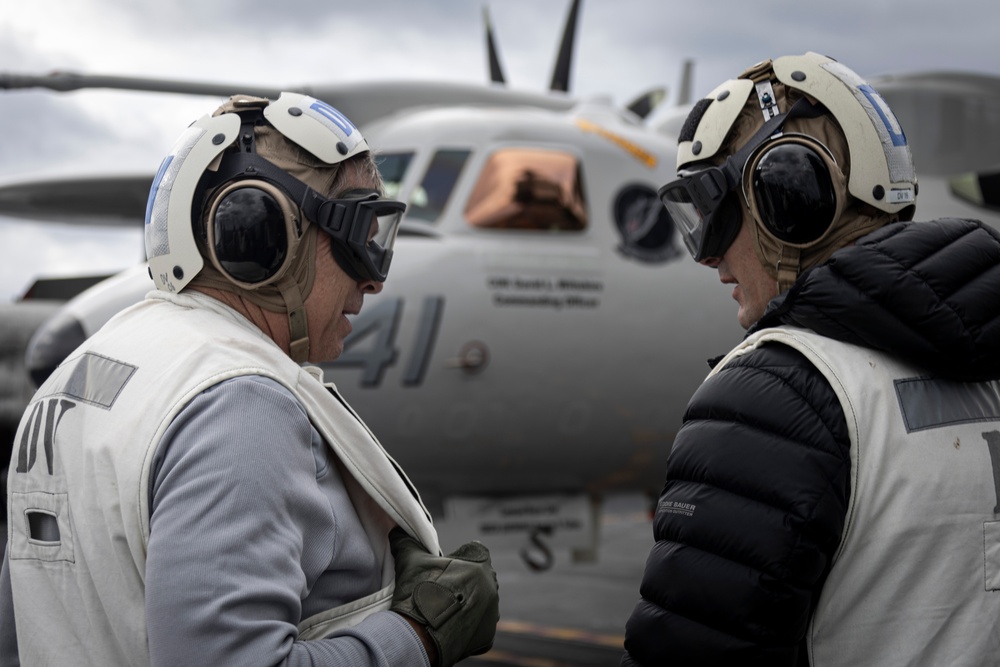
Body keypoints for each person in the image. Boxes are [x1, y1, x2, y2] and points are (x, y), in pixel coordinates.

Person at [0, 92, 499, 666]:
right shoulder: (239, 403)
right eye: (358, 235)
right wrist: (416, 637)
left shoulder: (78, 375)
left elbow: (25, 632)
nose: (373, 281)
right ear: (265, 238)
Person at [621, 52, 1000, 665]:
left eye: (714, 214)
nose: (707, 258)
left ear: (788, 198)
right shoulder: (988, 371)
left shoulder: (778, 394)